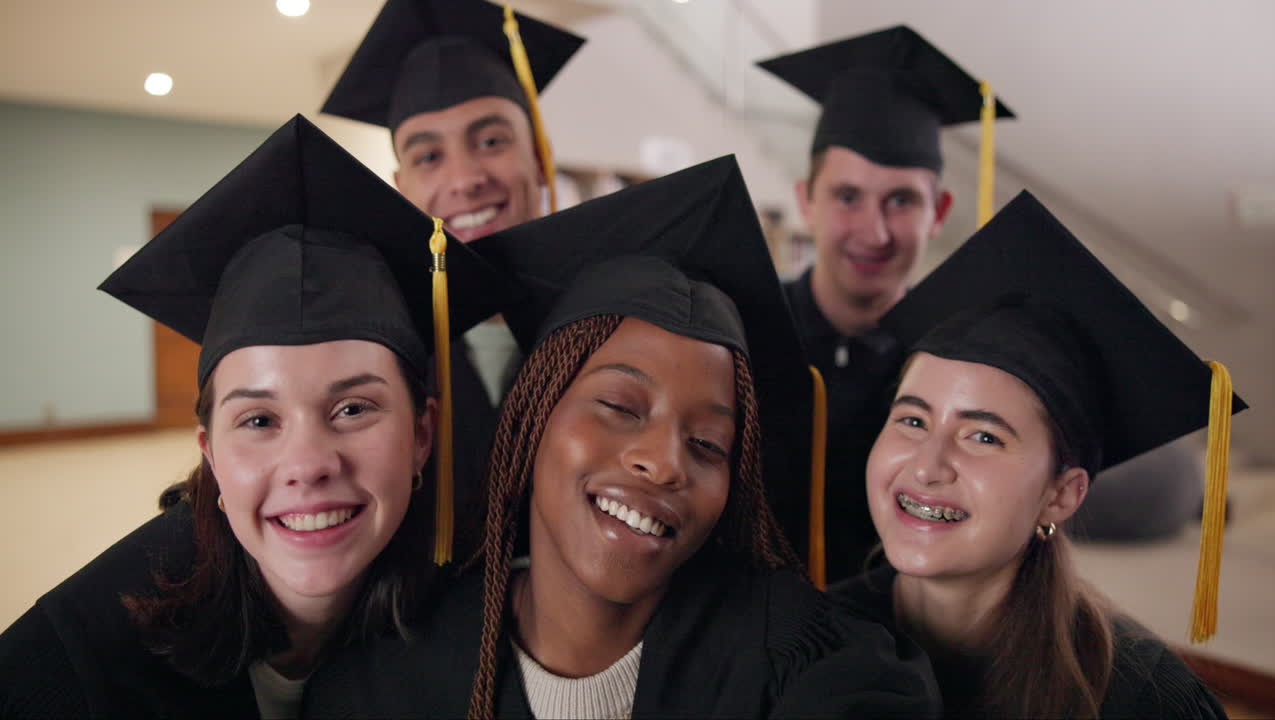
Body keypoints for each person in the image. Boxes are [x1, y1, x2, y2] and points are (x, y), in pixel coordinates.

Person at [304, 157, 941, 719]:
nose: (664, 463)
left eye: (708, 444)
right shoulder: (386, 679)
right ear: (532, 413)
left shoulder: (806, 666)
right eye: (619, 405)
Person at [0, 115, 510, 718]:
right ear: (209, 451)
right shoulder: (70, 669)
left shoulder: (467, 619)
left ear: (423, 435)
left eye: (352, 409)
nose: (309, 464)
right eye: (259, 420)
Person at [830, 191, 1243, 718]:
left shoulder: (1144, 701)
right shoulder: (805, 638)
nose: (926, 466)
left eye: (983, 436)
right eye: (912, 420)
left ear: (1061, 495)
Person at [322, 0, 585, 553]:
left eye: (491, 141)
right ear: (402, 187)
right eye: (428, 157)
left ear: (539, 157)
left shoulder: (613, 320)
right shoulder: (377, 350)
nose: (465, 179)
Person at [757, 26, 1015, 580]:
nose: (873, 233)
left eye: (901, 201)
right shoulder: (745, 328)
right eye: (847, 197)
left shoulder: (966, 365)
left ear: (939, 212)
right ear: (807, 201)